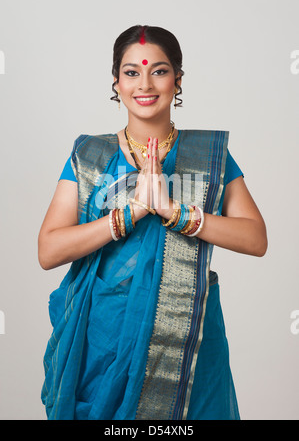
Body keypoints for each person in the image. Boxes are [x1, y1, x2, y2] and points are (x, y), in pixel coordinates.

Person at [38, 25, 267, 420]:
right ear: (116, 82)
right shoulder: (90, 155)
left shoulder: (206, 155)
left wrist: (174, 213)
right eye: (131, 72)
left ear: (178, 80)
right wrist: (132, 213)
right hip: (105, 335)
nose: (145, 83)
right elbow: (49, 250)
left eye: (159, 71)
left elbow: (255, 238)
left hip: (188, 337)